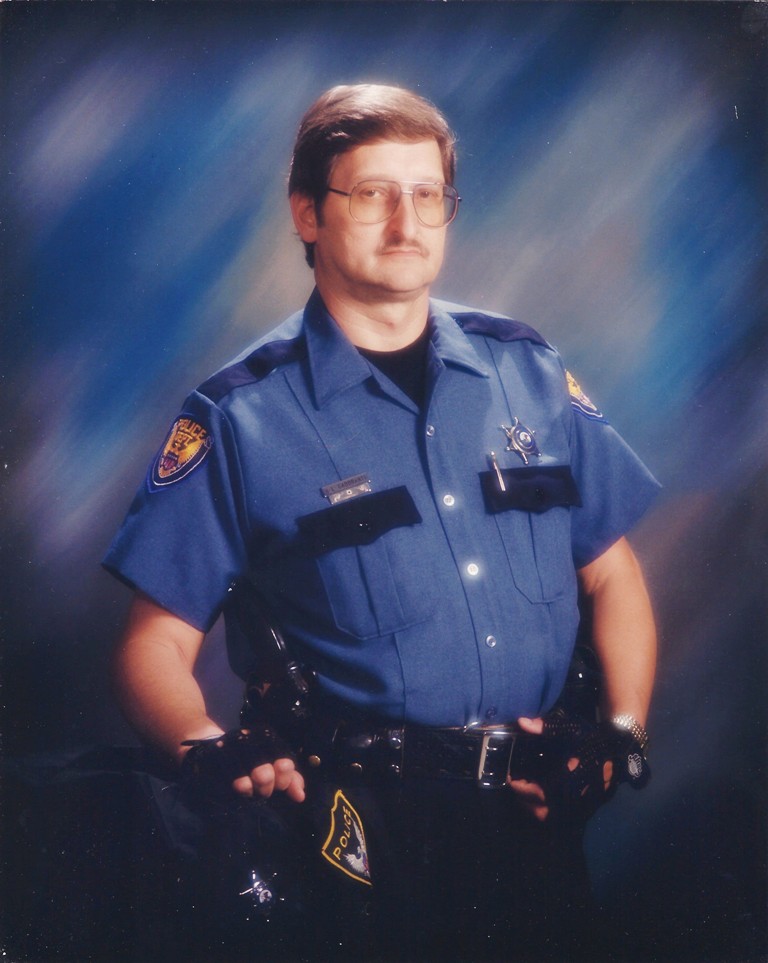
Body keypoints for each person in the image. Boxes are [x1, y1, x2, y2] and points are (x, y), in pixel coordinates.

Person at [104, 83, 659, 961]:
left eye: (427, 194)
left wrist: (621, 730)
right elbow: (152, 645)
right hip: (350, 835)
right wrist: (207, 748)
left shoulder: (526, 370)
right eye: (372, 194)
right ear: (307, 213)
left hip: (539, 815)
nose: (407, 223)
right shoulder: (239, 415)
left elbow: (612, 571)